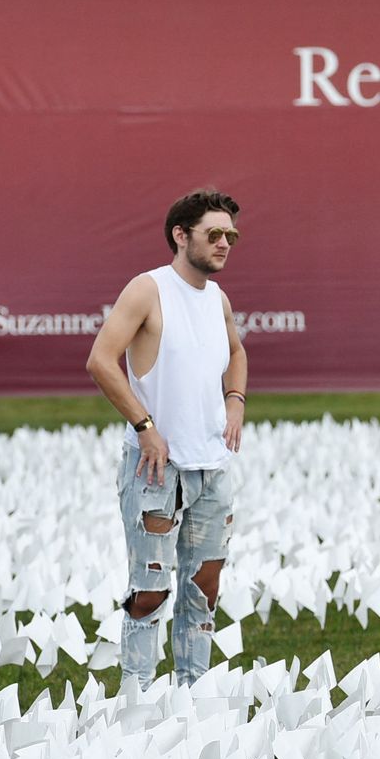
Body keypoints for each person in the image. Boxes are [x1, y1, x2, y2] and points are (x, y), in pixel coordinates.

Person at [85, 188, 248, 689]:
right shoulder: (147, 290)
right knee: (151, 588)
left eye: (231, 236)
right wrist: (144, 426)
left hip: (212, 468)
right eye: (213, 234)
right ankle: (137, 696)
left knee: (205, 589)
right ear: (181, 235)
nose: (224, 244)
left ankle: (192, 693)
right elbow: (99, 361)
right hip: (156, 470)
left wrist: (235, 401)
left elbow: (237, 353)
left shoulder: (217, 298)